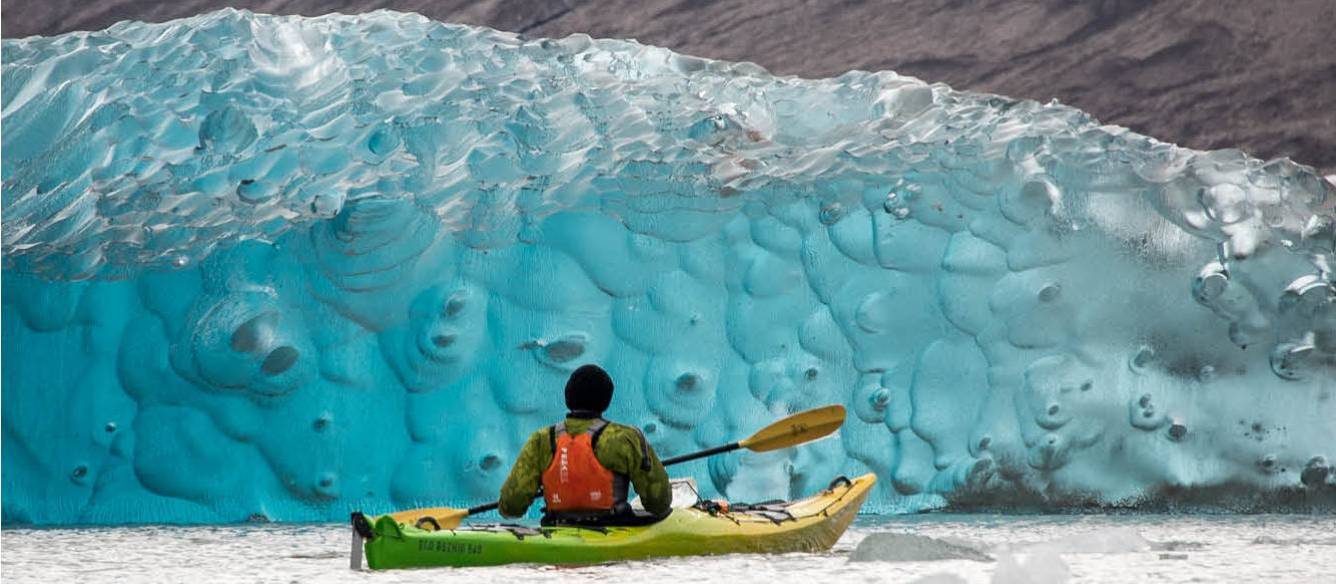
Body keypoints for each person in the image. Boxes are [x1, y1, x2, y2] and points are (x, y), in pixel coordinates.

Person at [498, 364, 672, 526]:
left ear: (568, 397)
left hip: (558, 529)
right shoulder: (625, 438)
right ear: (607, 399)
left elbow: (510, 507)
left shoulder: (541, 439)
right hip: (613, 529)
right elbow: (659, 503)